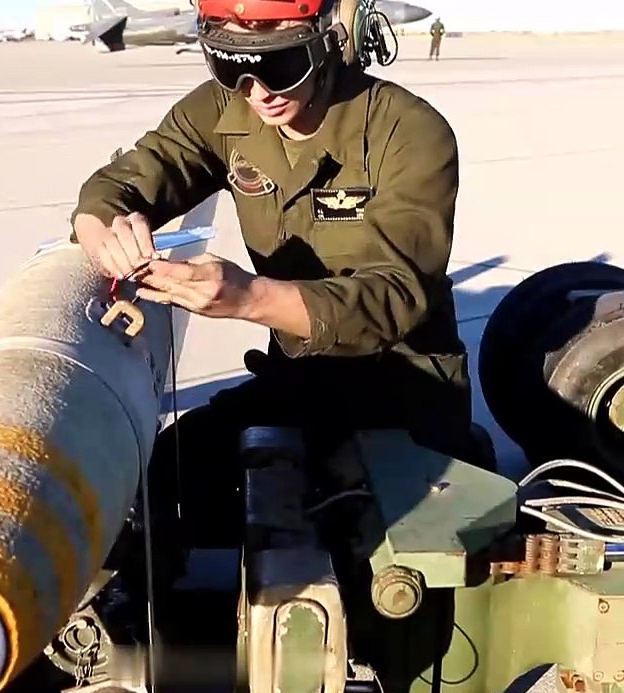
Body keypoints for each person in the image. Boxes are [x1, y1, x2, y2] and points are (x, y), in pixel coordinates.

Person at [69, 0, 489, 569]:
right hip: (299, 384)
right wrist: (106, 229)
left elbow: (395, 296)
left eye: (280, 65)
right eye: (231, 67)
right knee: (166, 475)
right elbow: (128, 181)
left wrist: (249, 297)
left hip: (402, 395)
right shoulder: (223, 109)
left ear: (325, 40)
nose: (258, 91)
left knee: (379, 557)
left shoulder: (407, 131)